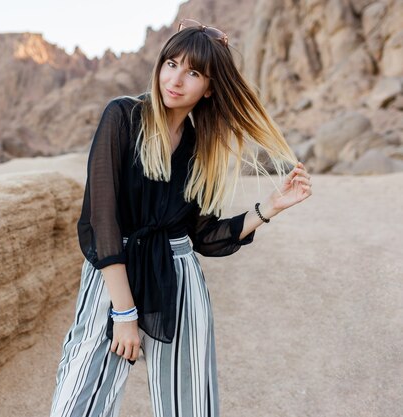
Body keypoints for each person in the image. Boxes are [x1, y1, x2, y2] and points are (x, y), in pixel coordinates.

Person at [50, 18, 312, 417]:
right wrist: (123, 313)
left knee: (189, 404)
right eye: (171, 64)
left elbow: (205, 236)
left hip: (179, 276)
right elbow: (103, 222)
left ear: (209, 88)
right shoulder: (122, 117)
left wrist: (271, 206)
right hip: (114, 275)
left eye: (193, 72)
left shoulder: (200, 147)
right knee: (79, 398)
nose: (175, 79)